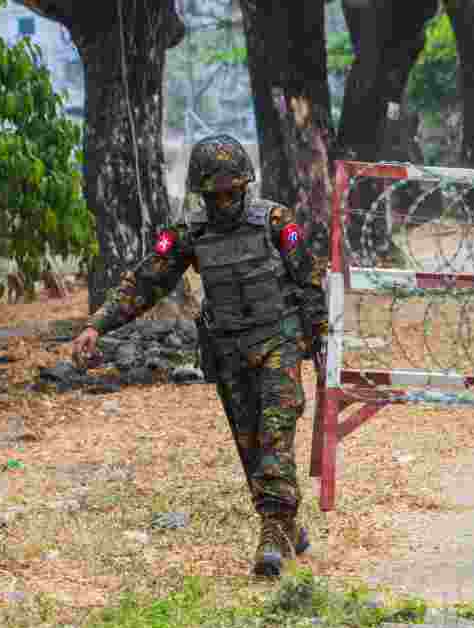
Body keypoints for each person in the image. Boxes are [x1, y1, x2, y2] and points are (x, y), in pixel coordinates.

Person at [70, 134, 328, 577]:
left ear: (246, 185)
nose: (225, 201)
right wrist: (97, 324)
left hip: (278, 344)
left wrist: (320, 341)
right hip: (228, 351)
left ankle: (272, 533)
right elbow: (145, 282)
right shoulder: (190, 233)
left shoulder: (274, 222)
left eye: (233, 192)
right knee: (250, 445)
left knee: (274, 434)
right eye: (216, 194)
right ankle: (288, 525)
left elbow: (308, 281)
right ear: (202, 193)